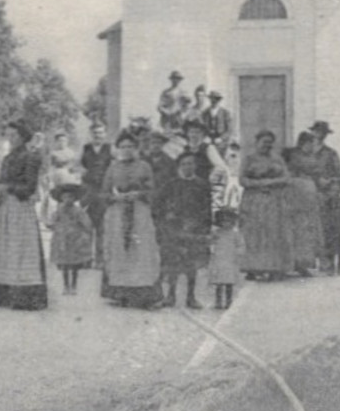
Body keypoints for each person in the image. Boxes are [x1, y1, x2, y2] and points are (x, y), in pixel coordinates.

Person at [0, 120, 49, 310]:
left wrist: (6, 187)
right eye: (8, 135)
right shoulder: (8, 158)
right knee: (3, 249)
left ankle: (24, 295)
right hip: (4, 207)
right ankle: (2, 293)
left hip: (20, 207)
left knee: (21, 250)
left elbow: (29, 187)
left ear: (24, 137)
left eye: (14, 136)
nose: (10, 139)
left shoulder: (31, 157)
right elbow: (2, 180)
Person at [100, 133, 163, 308]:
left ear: (136, 149)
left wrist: (139, 194)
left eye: (130, 146)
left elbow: (153, 191)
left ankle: (143, 293)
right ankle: (120, 293)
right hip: (118, 212)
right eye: (123, 147)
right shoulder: (112, 168)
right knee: (119, 251)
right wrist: (115, 198)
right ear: (118, 149)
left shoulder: (144, 167)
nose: (126, 150)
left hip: (139, 212)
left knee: (141, 250)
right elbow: (104, 192)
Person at [158, 151, 213, 309]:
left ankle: (191, 297)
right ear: (179, 166)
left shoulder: (202, 185)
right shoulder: (171, 184)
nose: (187, 167)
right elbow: (160, 204)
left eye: (190, 163)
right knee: (173, 263)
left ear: (195, 166)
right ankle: (171, 295)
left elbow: (207, 209)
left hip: (194, 229)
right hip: (174, 229)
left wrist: (202, 227)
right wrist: (167, 217)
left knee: (191, 264)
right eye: (184, 164)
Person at [238, 131, 292, 281]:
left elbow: (287, 178)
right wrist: (260, 184)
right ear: (257, 142)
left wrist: (271, 183)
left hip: (274, 201)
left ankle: (274, 267)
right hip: (253, 200)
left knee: (273, 233)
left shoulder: (277, 159)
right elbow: (242, 180)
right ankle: (254, 267)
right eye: (264, 142)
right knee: (255, 233)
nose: (267, 145)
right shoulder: (248, 159)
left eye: (270, 142)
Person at [283, 130, 333, 276]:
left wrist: (323, 182)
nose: (314, 146)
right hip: (293, 192)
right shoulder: (292, 155)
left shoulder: (312, 157)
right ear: (305, 142)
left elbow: (317, 175)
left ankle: (303, 264)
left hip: (309, 194)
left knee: (307, 229)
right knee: (293, 227)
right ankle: (289, 263)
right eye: (312, 142)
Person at [49, 183, 95, 296]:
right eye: (65, 197)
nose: (68, 200)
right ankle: (65, 286)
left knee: (74, 265)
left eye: (71, 197)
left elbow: (87, 223)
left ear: (75, 199)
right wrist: (53, 225)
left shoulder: (78, 211)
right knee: (64, 264)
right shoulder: (59, 210)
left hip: (75, 240)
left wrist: (84, 232)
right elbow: (52, 221)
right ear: (61, 199)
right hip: (62, 240)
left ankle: (73, 286)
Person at [80, 122, 113, 264]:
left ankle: (100, 259)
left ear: (104, 134)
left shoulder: (110, 149)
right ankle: (86, 258)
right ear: (90, 134)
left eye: (100, 133)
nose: (97, 135)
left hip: (104, 191)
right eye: (95, 133)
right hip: (89, 190)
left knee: (102, 226)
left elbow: (114, 169)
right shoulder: (85, 149)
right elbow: (79, 167)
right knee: (86, 225)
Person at [208, 207, 242, 310]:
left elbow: (240, 245)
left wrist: (238, 253)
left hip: (230, 259)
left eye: (228, 221)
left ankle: (228, 301)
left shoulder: (235, 234)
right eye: (223, 221)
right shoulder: (216, 233)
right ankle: (218, 302)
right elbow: (210, 242)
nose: (226, 223)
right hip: (219, 258)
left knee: (229, 283)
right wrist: (211, 249)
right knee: (219, 283)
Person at [319, 178, 340, 276]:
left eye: (337, 191)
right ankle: (331, 268)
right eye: (332, 190)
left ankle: (339, 268)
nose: (334, 193)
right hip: (329, 229)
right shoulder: (325, 204)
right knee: (329, 249)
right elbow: (322, 215)